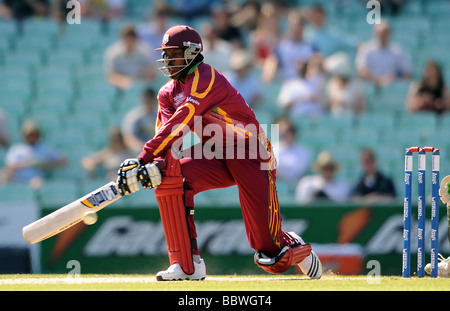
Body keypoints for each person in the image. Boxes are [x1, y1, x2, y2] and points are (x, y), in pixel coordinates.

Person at [115, 25, 322, 281]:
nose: (168, 61)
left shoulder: (207, 78)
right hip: (213, 151)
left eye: (173, 55)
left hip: (250, 153)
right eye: (165, 55)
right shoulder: (167, 93)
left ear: (192, 54)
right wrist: (154, 165)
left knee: (271, 256)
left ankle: (294, 244)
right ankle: (186, 265)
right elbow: (166, 138)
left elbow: (181, 122)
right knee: (169, 178)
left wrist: (143, 158)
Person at [2, 120, 66, 188]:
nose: (31, 137)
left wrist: (47, 164)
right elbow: (10, 166)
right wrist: (31, 163)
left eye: (34, 134)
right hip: (16, 180)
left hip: (35, 181)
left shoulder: (45, 149)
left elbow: (63, 161)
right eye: (29, 135)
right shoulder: (16, 149)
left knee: (37, 182)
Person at [262, 10, 317, 83]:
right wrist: (269, 73)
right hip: (286, 84)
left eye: (299, 26)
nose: (296, 29)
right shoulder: (280, 47)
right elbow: (271, 64)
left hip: (305, 84)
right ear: (289, 27)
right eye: (294, 26)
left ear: (303, 28)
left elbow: (316, 66)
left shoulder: (310, 47)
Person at [355, 20, 412, 87]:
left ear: (389, 34)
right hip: (369, 87)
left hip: (391, 88)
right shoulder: (366, 49)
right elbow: (361, 71)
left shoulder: (397, 51)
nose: (382, 36)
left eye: (385, 33)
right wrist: (375, 79)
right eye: (380, 33)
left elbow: (407, 73)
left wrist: (393, 77)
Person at [104, 25, 155, 90]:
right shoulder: (113, 53)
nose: (129, 42)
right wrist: (125, 83)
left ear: (135, 39)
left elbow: (152, 71)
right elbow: (111, 75)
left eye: (131, 39)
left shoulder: (145, 51)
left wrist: (139, 82)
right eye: (127, 39)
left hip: (142, 88)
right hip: (120, 88)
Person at [271, 117, 313, 188]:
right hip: (277, 183)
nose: (286, 134)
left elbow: (300, 169)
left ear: (293, 133)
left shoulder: (304, 151)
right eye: (284, 132)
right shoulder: (273, 149)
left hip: (298, 184)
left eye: (289, 131)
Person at [324, 52, 366, 116]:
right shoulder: (332, 83)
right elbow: (327, 103)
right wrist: (334, 102)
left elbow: (361, 106)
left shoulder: (356, 84)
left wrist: (345, 104)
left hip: (351, 119)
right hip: (334, 120)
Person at [121, 88, 158, 153]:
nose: (148, 102)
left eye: (150, 100)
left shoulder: (161, 115)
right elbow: (128, 137)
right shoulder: (134, 116)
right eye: (146, 100)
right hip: (139, 150)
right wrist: (142, 147)